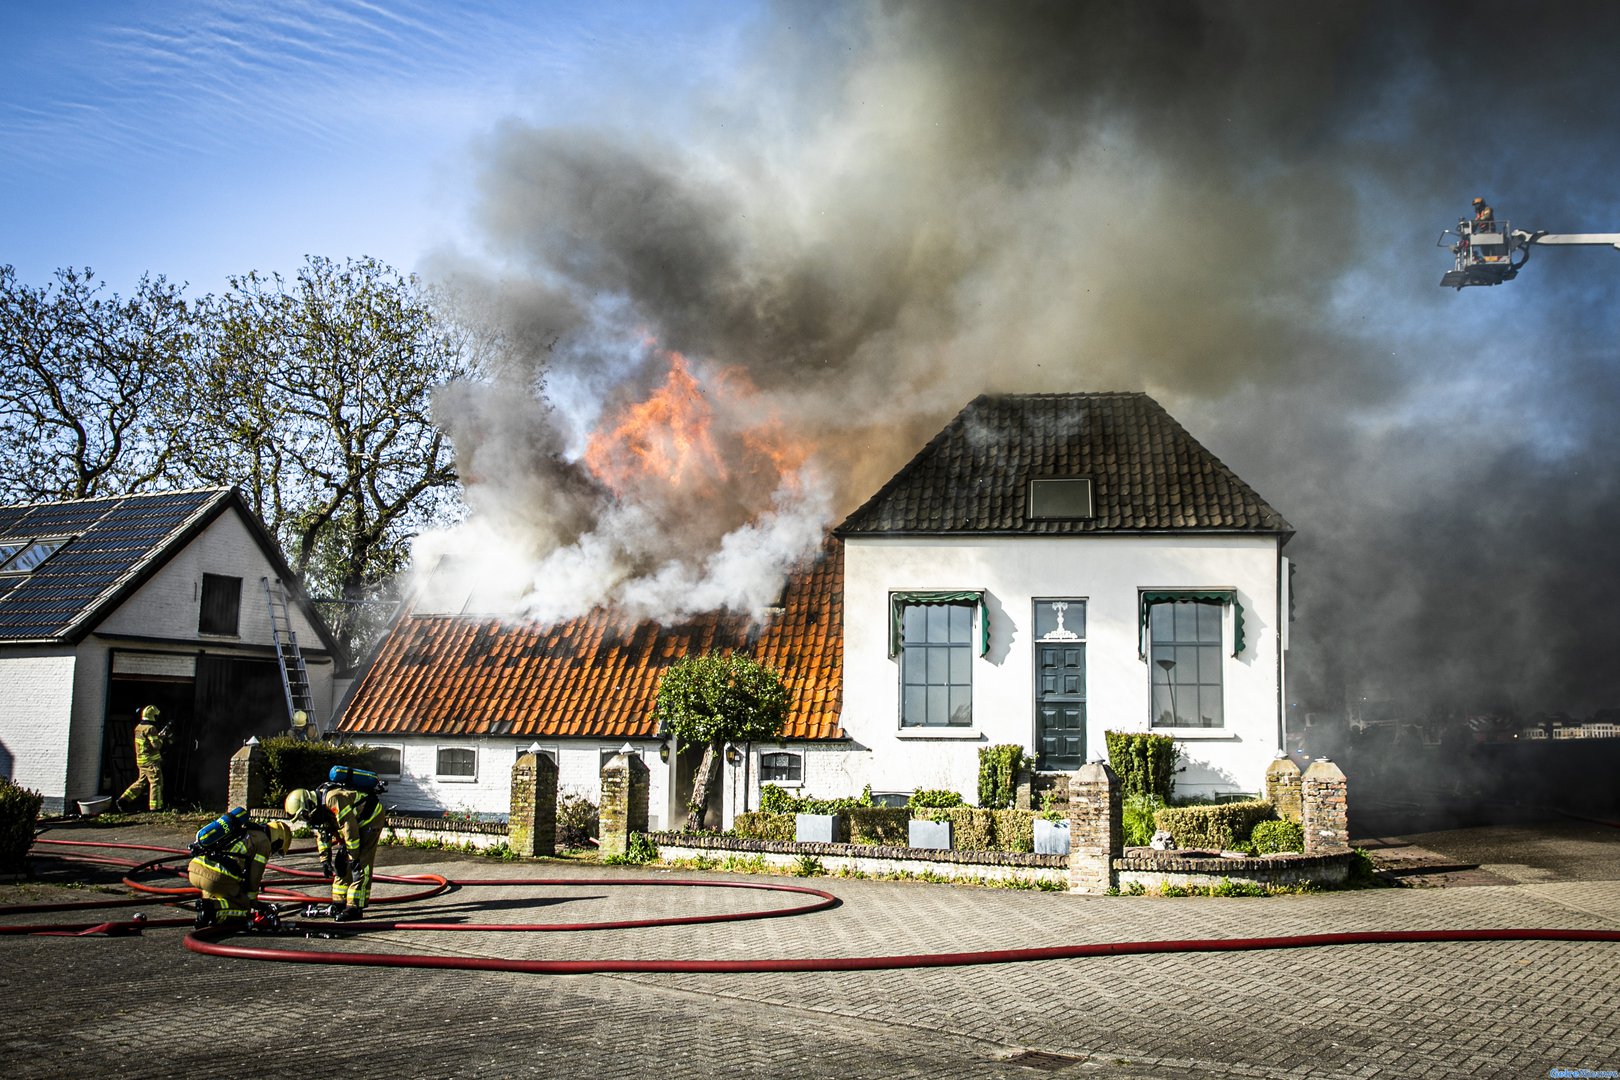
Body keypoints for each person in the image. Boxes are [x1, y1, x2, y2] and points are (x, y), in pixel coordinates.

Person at [285, 779, 385, 921]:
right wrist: (325, 859)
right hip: (354, 825)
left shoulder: (333, 799)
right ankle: (339, 902)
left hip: (371, 819)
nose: (307, 819)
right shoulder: (319, 809)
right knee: (341, 865)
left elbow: (349, 828)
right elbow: (323, 834)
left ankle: (355, 908)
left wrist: (354, 857)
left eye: (305, 815)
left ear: (309, 804)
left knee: (361, 865)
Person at [187, 811, 294, 930]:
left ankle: (207, 915)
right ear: (278, 840)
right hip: (216, 876)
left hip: (195, 869)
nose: (272, 852)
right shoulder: (264, 842)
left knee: (221, 897)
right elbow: (254, 876)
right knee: (243, 906)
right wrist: (253, 901)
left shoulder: (246, 830)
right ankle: (211, 911)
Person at [116, 706, 167, 811]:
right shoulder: (150, 728)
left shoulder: (139, 728)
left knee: (141, 782)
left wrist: (158, 736)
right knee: (156, 782)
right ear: (153, 716)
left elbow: (146, 742)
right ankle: (156, 807)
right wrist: (161, 738)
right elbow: (156, 745)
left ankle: (124, 800)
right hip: (151, 761)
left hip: (141, 761)